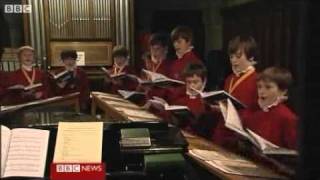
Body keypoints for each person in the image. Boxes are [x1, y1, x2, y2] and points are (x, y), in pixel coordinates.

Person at [212, 35, 258, 148]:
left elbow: (255, 112)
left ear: (251, 57)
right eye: (231, 57)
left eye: (238, 56)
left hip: (240, 135)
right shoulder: (229, 79)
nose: (234, 60)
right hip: (223, 131)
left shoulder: (258, 80)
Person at [241, 67, 297, 149]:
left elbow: (293, 152)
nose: (261, 91)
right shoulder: (254, 111)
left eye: (268, 87)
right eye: (259, 87)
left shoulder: (287, 117)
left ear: (283, 91)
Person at [172, 63, 216, 138]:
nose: (191, 86)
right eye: (188, 82)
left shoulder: (209, 102)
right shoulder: (180, 99)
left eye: (195, 82)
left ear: (204, 82)